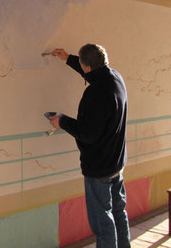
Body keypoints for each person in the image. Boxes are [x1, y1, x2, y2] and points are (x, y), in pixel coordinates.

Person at [49, 44, 131, 248]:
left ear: (87, 67)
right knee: (119, 213)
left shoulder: (95, 94)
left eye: (82, 65)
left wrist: (62, 122)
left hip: (99, 168)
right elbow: (95, 73)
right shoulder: (115, 78)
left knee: (103, 223)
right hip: (116, 163)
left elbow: (88, 133)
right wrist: (68, 58)